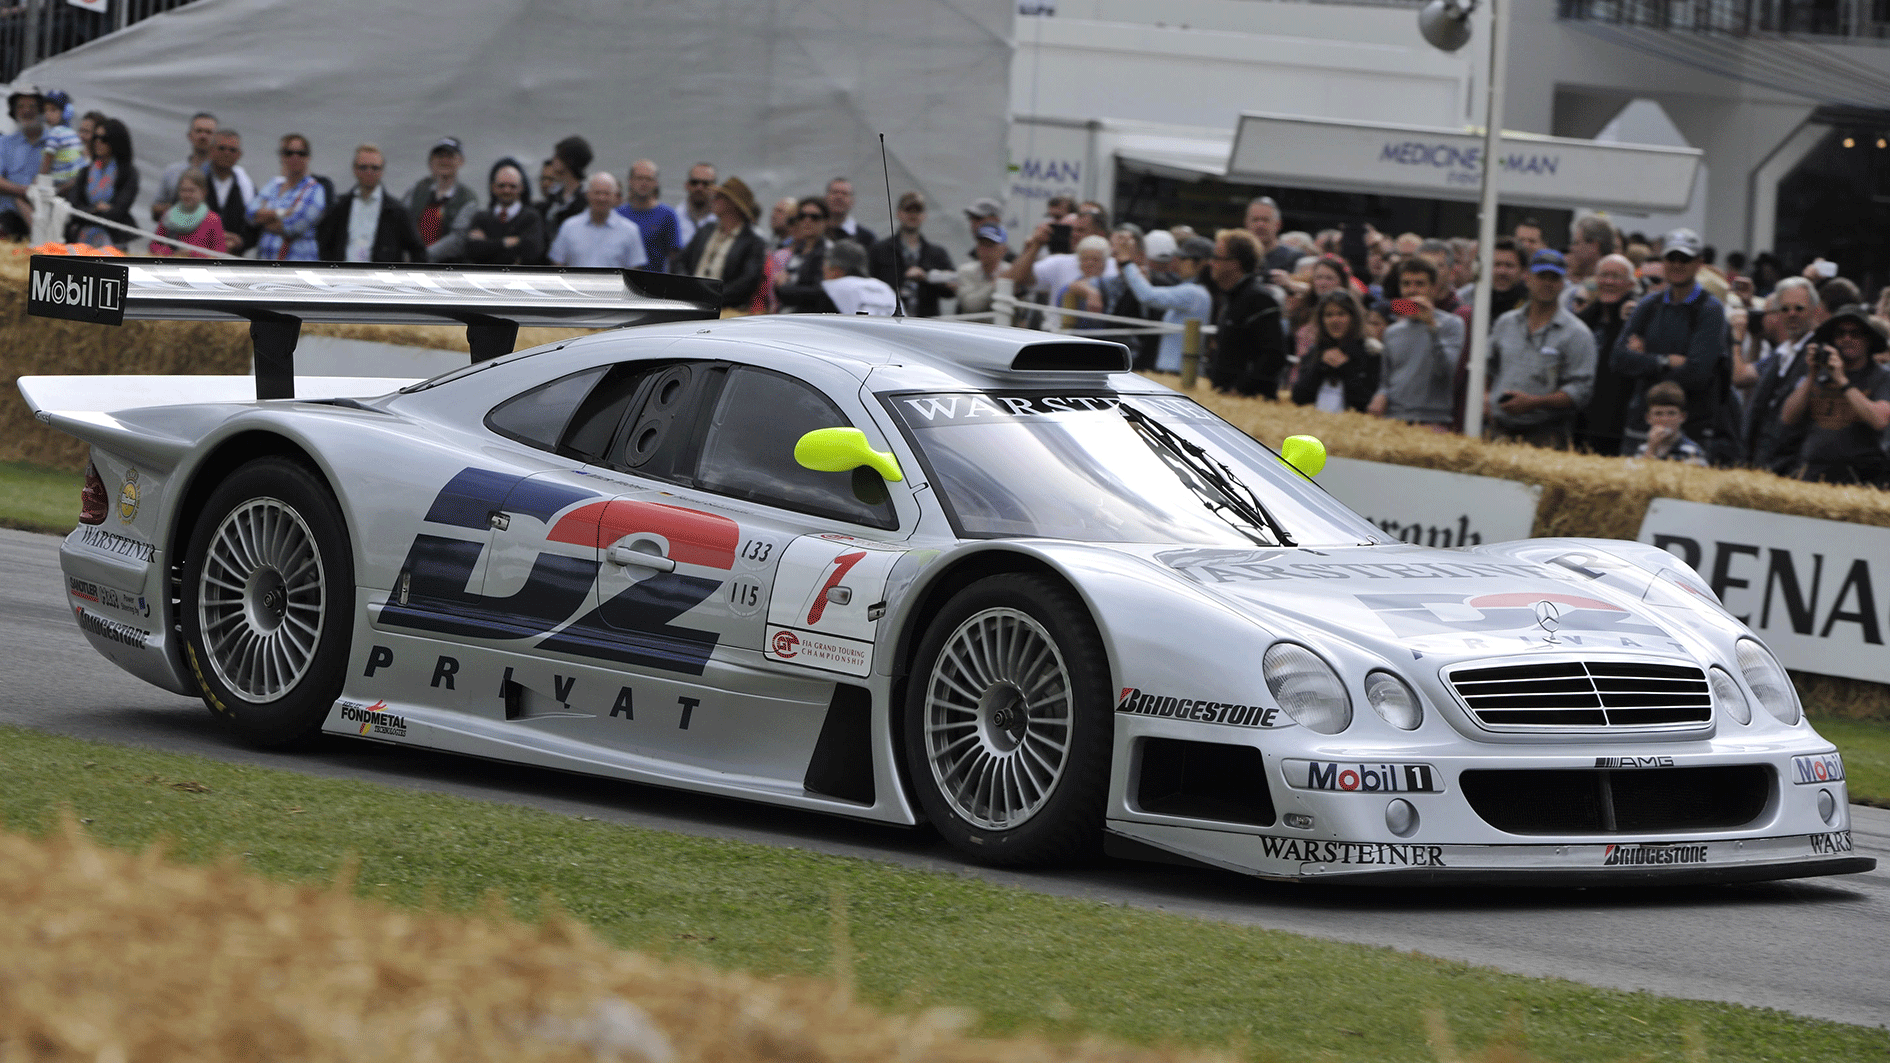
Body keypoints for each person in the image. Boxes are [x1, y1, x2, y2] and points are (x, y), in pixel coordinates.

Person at [1611, 228, 1729, 458]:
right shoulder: (1649, 305)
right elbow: (1618, 359)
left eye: (1684, 259)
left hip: (1690, 427)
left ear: (1699, 263)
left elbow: (1698, 373)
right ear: (1663, 261)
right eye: (1671, 258)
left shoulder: (1710, 310)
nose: (1677, 264)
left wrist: (1644, 361)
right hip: (1641, 424)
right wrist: (1665, 361)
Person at [1484, 249, 1597, 449]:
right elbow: (1488, 367)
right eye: (1541, 276)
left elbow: (1581, 391)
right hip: (1498, 430)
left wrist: (1534, 402)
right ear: (1527, 278)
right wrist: (1485, 397)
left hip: (1546, 436)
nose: (1547, 283)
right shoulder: (1506, 322)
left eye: (1554, 278)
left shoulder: (1577, 334)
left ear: (1563, 283)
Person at [1777, 306, 1890, 485]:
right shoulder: (1818, 373)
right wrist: (1812, 375)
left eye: (1855, 334)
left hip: (1860, 481)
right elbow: (1787, 417)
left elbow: (1880, 420)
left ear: (1868, 339)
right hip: (1810, 476)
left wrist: (1842, 379)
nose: (1847, 339)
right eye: (1840, 333)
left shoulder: (1882, 377)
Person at [1368, 257, 1464, 428]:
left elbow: (1447, 371)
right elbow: (1386, 380)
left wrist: (1432, 327)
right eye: (1406, 284)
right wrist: (1381, 395)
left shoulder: (1452, 324)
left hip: (1432, 420)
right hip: (1395, 418)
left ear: (1433, 289)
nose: (1412, 290)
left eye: (1419, 284)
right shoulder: (1392, 331)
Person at [1745, 277, 1819, 473]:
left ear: (1814, 310)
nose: (1791, 314)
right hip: (1762, 462)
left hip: (1793, 465)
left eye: (1799, 308)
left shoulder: (1819, 352)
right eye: (1785, 309)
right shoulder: (1780, 353)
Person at [1575, 253, 1642, 455]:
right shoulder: (1584, 320)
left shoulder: (1638, 317)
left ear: (1630, 284)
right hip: (1582, 422)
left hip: (1619, 425)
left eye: (1616, 277)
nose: (1609, 282)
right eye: (1604, 275)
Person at [1207, 228, 1286, 398]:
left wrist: (1240, 389)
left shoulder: (1259, 299)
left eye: (1216, 258)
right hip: (1224, 399)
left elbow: (1273, 356)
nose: (1210, 263)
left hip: (1248, 403)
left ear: (1235, 263)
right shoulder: (1232, 297)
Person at [317, 144, 427, 263]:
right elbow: (324, 242)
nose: (369, 172)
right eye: (363, 167)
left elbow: (417, 250)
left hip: (381, 278)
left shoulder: (396, 211)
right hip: (344, 277)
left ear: (382, 171)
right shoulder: (340, 207)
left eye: (374, 168)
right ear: (355, 169)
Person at [675, 174, 765, 313]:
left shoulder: (753, 242)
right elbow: (680, 261)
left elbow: (747, 283)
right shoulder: (706, 230)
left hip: (726, 310)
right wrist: (688, 288)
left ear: (733, 204)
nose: (713, 200)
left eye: (718, 197)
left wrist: (711, 297)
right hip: (690, 303)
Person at [869, 191, 955, 317]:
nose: (913, 215)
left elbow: (952, 289)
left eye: (917, 210)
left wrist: (927, 277)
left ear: (924, 215)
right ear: (899, 213)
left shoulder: (937, 253)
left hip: (926, 323)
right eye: (908, 210)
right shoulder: (879, 250)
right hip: (889, 319)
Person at [1291, 289, 1379, 412]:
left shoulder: (1371, 352)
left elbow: (1368, 403)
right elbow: (1298, 398)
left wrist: (1345, 368)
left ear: (1353, 317)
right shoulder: (1315, 352)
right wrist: (1319, 367)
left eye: (1341, 314)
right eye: (1329, 315)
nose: (1334, 320)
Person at [247, 133, 326, 261]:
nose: (295, 157)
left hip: (298, 266)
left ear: (308, 157)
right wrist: (282, 213)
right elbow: (251, 214)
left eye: (301, 153)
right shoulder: (274, 184)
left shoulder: (315, 190)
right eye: (289, 153)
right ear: (282, 157)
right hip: (267, 265)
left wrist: (265, 219)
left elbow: (293, 226)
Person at [400, 137, 479, 262]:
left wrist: (422, 256)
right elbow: (402, 220)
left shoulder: (468, 199)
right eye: (440, 156)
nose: (444, 161)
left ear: (461, 161)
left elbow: (458, 239)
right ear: (432, 161)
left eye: (450, 156)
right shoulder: (418, 189)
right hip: (412, 263)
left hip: (446, 269)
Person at [548, 172, 648, 269]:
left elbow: (635, 268)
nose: (601, 198)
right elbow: (557, 263)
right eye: (597, 193)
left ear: (614, 196)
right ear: (587, 194)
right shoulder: (569, 226)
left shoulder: (630, 230)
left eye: (606, 193)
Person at [66, 118, 139, 248]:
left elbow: (118, 211)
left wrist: (89, 212)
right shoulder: (86, 171)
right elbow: (73, 206)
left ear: (115, 141)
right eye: (96, 137)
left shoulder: (128, 173)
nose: (98, 142)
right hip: (81, 237)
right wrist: (96, 209)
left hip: (113, 239)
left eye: (104, 138)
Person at [465, 159, 545, 266]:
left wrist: (488, 244)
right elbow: (471, 251)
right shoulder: (481, 218)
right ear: (493, 187)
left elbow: (532, 252)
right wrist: (507, 242)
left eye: (512, 186)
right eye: (501, 186)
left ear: (521, 188)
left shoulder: (532, 217)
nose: (506, 190)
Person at [771, 196, 836, 314]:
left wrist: (784, 288)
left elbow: (821, 292)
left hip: (811, 321)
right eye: (802, 216)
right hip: (788, 317)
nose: (807, 220)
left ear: (826, 221)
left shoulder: (829, 251)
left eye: (814, 217)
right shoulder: (798, 250)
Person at [0, 87, 51, 237]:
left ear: (42, 110)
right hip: (8, 219)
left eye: (31, 106)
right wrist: (24, 191)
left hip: (48, 219)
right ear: (14, 112)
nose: (26, 111)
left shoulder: (56, 142)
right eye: (21, 106)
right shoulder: (4, 143)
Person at [150, 111, 217, 222]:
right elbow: (155, 210)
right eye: (199, 131)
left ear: (216, 138)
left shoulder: (221, 174)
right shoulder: (172, 171)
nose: (203, 136)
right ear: (189, 136)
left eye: (208, 132)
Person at [150, 168, 226, 258]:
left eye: (191, 190)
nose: (187, 195)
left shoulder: (213, 220)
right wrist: (169, 253)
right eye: (183, 190)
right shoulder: (168, 215)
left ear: (203, 192)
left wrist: (192, 254)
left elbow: (220, 254)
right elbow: (154, 245)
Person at [205, 128, 256, 255]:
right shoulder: (197, 181)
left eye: (232, 150)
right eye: (222, 148)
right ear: (211, 151)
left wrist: (241, 241)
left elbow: (255, 225)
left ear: (239, 154)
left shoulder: (247, 187)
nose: (227, 153)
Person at [1634, 381, 1708, 465]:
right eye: (1658, 413)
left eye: (1671, 413)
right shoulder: (1643, 449)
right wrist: (1651, 448)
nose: (1665, 419)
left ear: (1682, 417)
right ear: (1648, 418)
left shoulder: (1691, 451)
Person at [820, 238, 897, 316]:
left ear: (835, 270)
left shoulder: (830, 288)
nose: (823, 272)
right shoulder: (885, 288)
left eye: (824, 268)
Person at [538, 136, 593, 238]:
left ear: (569, 161)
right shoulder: (554, 195)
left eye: (557, 156)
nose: (553, 159)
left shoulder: (586, 197)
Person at [954, 222, 1010, 318]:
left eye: (990, 245)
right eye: (981, 244)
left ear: (1004, 249)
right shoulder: (965, 271)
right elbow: (971, 306)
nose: (984, 250)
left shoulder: (1009, 270)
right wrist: (997, 283)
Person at [37, 90, 85, 195]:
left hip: (63, 187)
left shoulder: (55, 133)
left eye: (53, 110)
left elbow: (46, 163)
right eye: (46, 110)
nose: (48, 114)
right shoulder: (72, 132)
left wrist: (37, 185)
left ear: (66, 112)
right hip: (77, 183)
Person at [1244, 195, 1300, 273]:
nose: (1260, 225)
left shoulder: (1294, 258)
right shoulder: (1237, 257)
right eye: (1255, 220)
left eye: (1265, 220)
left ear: (1278, 224)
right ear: (1246, 224)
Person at [825, 176, 877, 247]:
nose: (839, 197)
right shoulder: (813, 231)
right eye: (834, 192)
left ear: (852, 201)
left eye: (844, 193)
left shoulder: (866, 238)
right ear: (825, 198)